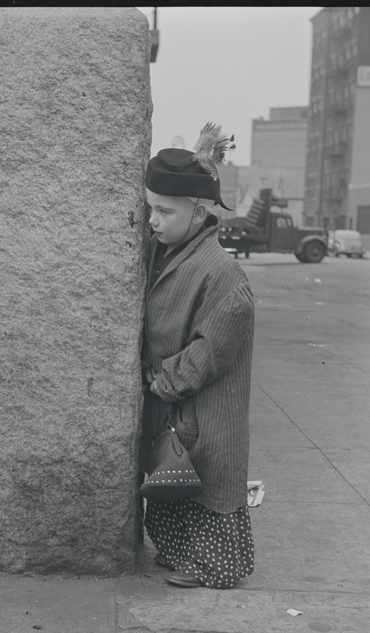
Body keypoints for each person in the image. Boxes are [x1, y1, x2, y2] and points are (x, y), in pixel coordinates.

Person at [140, 123, 255, 589]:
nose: (152, 220)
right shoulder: (163, 250)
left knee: (209, 479)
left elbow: (211, 351)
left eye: (164, 211)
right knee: (175, 476)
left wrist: (165, 383)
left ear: (200, 212)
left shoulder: (223, 274)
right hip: (172, 398)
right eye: (150, 209)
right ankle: (181, 553)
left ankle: (214, 567)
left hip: (206, 402)